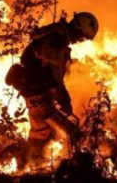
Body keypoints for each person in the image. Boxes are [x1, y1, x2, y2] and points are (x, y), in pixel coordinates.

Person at [6, 12, 99, 167]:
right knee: (54, 132)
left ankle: (27, 166)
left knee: (45, 132)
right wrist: (62, 97)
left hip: (34, 91)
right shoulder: (58, 40)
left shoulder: (54, 34)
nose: (80, 41)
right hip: (38, 93)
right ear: (79, 29)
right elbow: (52, 72)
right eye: (83, 37)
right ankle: (32, 167)